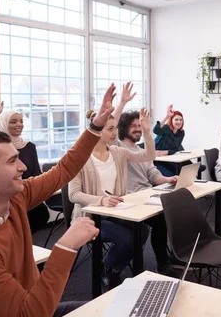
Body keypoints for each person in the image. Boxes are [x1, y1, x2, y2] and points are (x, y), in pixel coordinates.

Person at [0, 84, 116, 317]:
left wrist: (95, 127)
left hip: (34, 303)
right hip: (31, 311)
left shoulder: (14, 198)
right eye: (12, 161)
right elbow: (29, 314)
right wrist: (65, 246)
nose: (23, 167)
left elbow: (62, 171)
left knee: (110, 309)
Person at [68, 105, 155, 289]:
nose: (115, 132)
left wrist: (147, 131)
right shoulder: (80, 157)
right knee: (128, 238)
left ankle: (110, 268)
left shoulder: (118, 152)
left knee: (143, 230)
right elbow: (73, 194)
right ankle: (110, 268)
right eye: (110, 129)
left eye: (115, 128)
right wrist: (101, 200)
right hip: (90, 217)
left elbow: (149, 155)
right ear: (96, 131)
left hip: (115, 212)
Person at [112, 82, 175, 276]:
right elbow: (110, 124)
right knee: (158, 220)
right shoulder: (116, 147)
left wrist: (167, 179)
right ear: (123, 128)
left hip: (146, 195)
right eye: (134, 126)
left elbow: (152, 174)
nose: (138, 129)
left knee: (166, 215)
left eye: (139, 126)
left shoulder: (141, 151)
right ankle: (155, 263)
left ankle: (164, 261)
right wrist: (122, 102)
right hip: (128, 200)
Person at [0, 93, 50, 234]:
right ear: (3, 124)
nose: (19, 124)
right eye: (13, 122)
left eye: (20, 121)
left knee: (41, 214)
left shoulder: (29, 146)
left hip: (26, 197)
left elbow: (36, 173)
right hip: (4, 200)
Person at [153, 104, 185, 177]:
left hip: (169, 159)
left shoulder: (181, 133)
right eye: (176, 119)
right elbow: (155, 129)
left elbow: (176, 149)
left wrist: (163, 152)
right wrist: (167, 116)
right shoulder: (166, 128)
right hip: (157, 161)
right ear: (171, 120)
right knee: (172, 175)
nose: (179, 122)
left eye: (181, 120)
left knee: (183, 171)